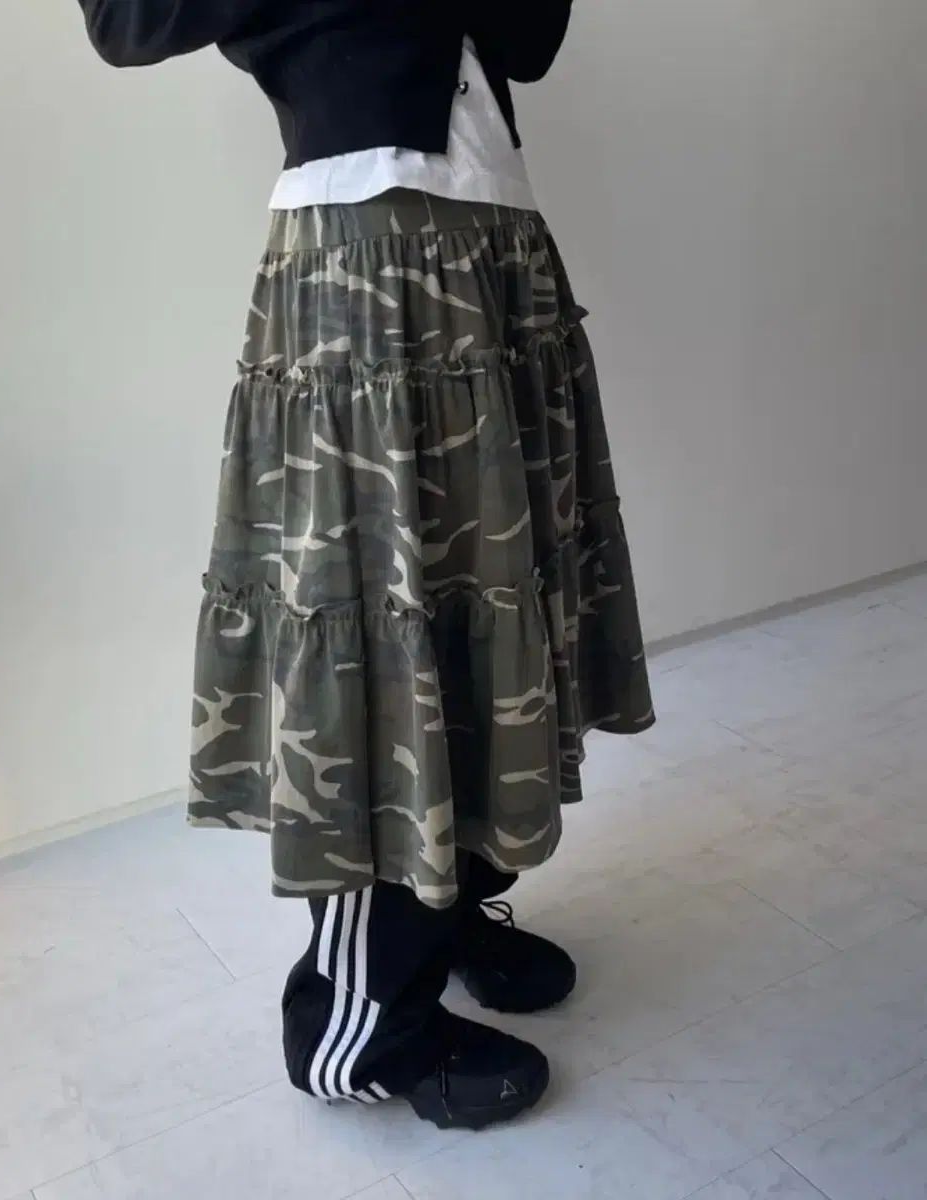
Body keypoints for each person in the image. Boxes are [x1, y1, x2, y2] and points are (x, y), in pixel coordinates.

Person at [76, 0, 654, 1130]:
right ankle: (359, 1027)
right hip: (363, 252)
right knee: (379, 624)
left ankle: (453, 906)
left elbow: (530, 40)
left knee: (490, 604)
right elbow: (125, 20)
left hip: (498, 239)